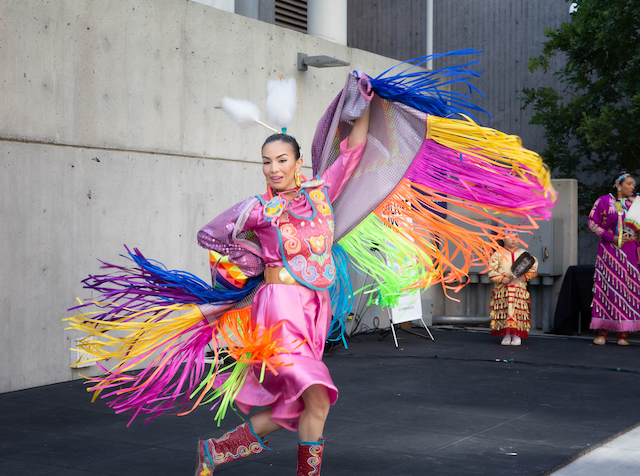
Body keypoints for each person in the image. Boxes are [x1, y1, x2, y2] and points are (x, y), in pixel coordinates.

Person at [193, 102, 371, 476]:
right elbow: (211, 234)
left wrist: (367, 100)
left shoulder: (321, 194)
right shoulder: (259, 206)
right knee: (318, 393)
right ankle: (217, 451)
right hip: (277, 310)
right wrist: (251, 258)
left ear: (298, 161)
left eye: (281, 160)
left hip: (314, 309)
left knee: (309, 406)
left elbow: (353, 151)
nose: (273, 169)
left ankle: (215, 451)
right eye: (266, 161)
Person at [589, 172, 640, 345]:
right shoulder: (603, 201)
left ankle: (622, 334)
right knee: (607, 288)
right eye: (629, 183)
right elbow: (592, 223)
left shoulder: (635, 203)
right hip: (609, 251)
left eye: (633, 184)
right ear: (618, 185)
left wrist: (637, 237)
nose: (633, 187)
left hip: (630, 251)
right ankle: (602, 332)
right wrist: (612, 238)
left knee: (627, 289)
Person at [488, 233, 538, 346]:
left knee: (518, 311)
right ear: (503, 239)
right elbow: (491, 271)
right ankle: (506, 335)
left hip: (519, 288)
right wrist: (501, 279)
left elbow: (533, 269)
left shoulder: (523, 254)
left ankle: (517, 335)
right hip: (502, 290)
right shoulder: (498, 254)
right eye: (510, 237)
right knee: (504, 311)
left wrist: (524, 277)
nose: (513, 240)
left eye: (516, 237)